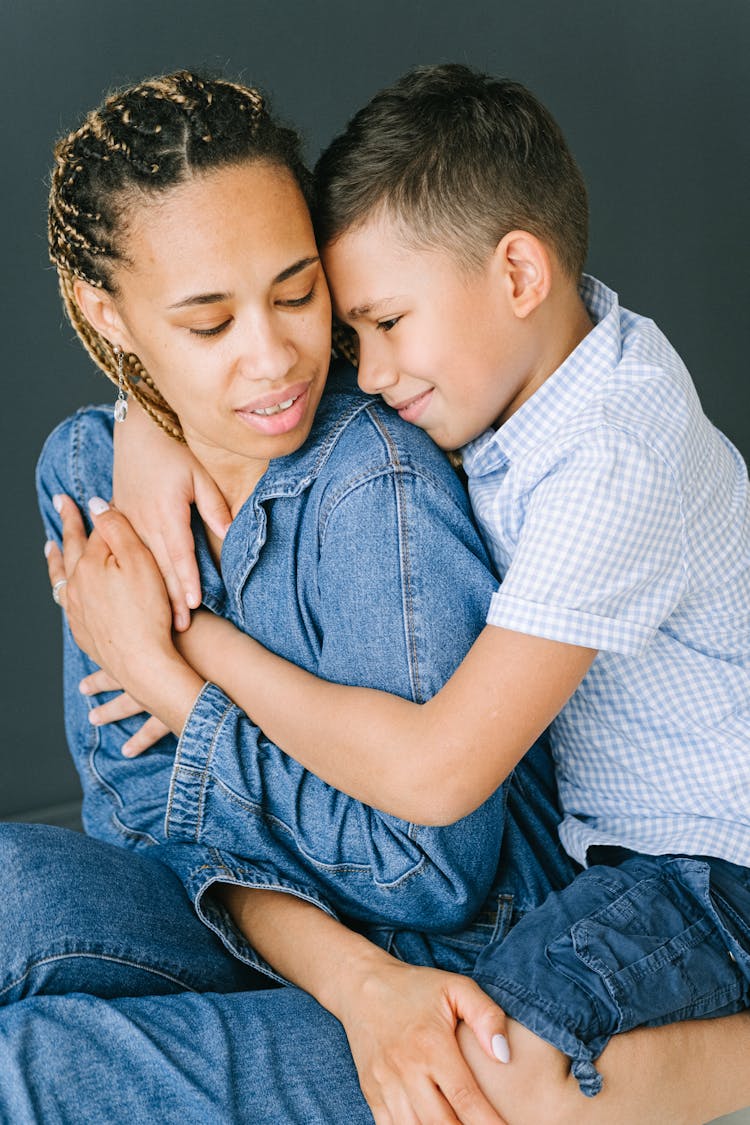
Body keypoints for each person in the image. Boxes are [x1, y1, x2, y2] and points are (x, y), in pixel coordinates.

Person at [17, 68, 750, 1125]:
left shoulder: (582, 462)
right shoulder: (474, 375)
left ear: (517, 273)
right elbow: (150, 822)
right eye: (208, 322)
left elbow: (434, 793)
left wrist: (178, 651)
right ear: (113, 317)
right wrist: (146, 422)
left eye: (304, 299)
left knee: (505, 1067)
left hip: (700, 866)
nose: (333, 366)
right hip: (516, 863)